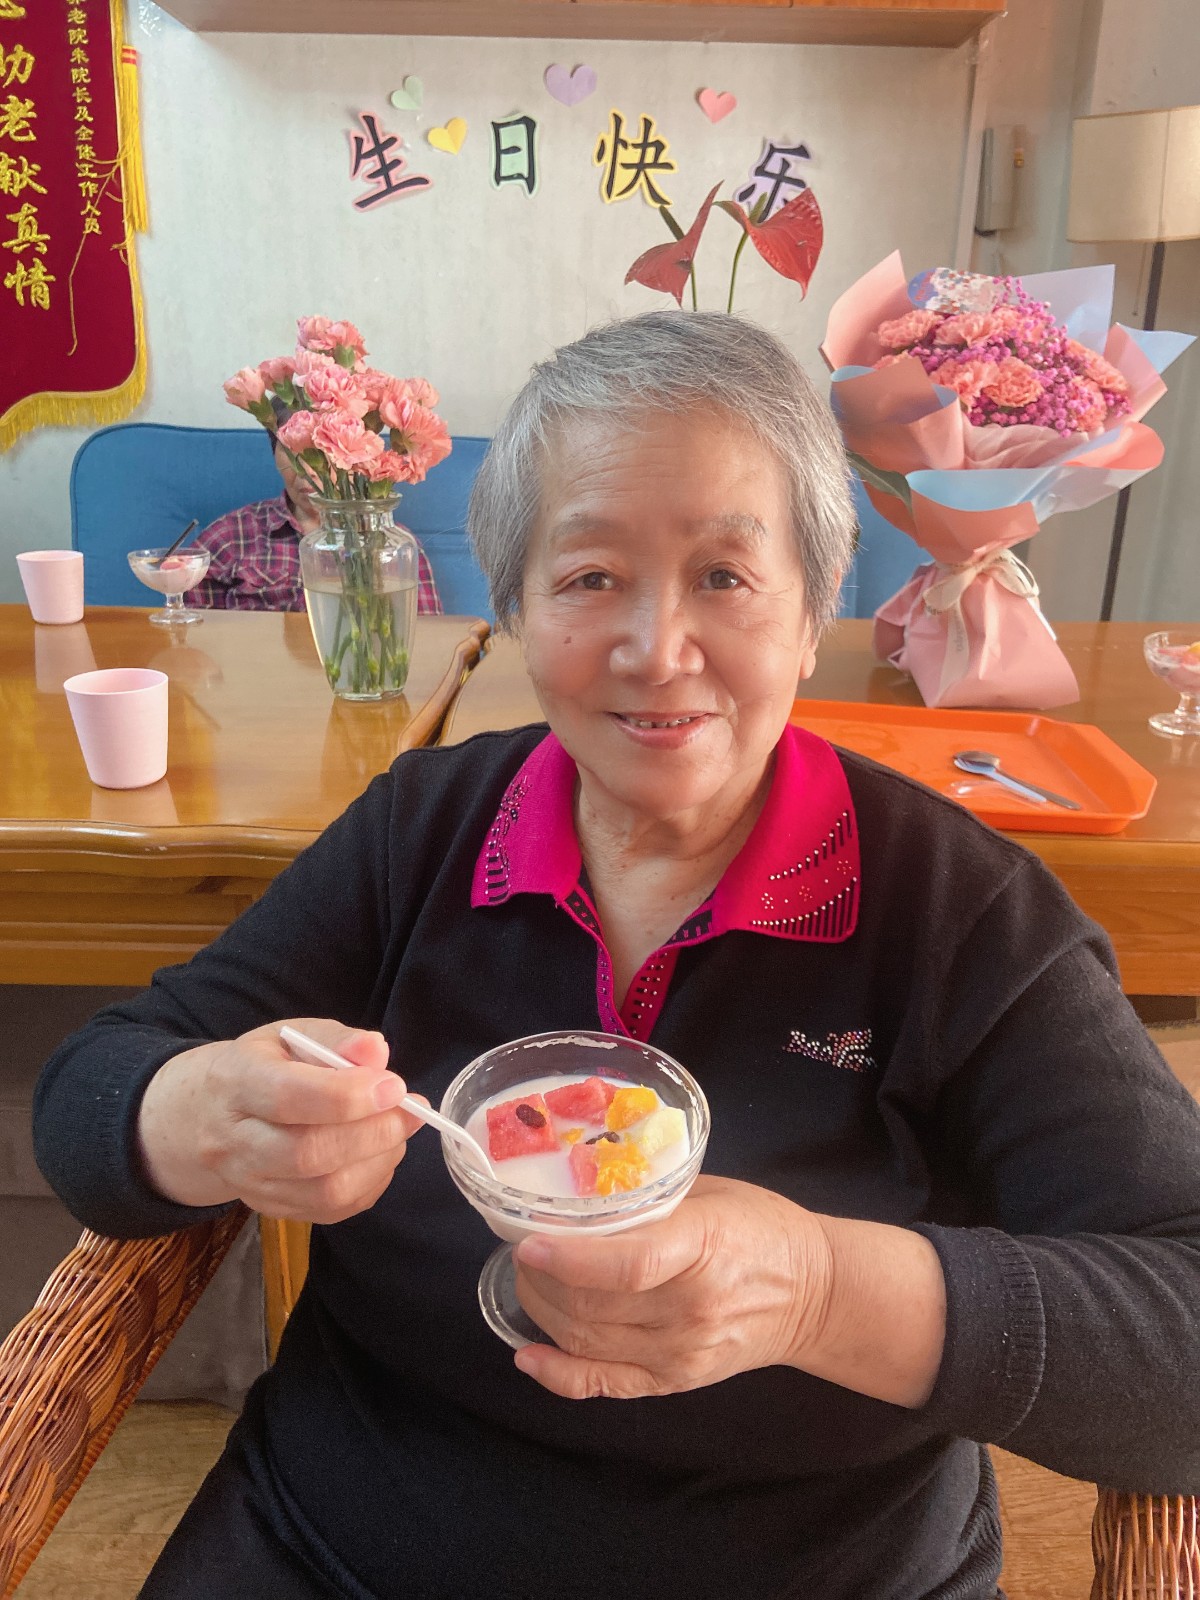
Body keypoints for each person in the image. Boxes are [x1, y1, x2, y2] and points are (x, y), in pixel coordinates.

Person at [34, 311, 1200, 1600]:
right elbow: (95, 1094)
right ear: (516, 607)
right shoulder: (422, 832)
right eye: (590, 577)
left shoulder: (959, 909)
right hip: (340, 1548)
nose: (656, 649)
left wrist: (817, 1290)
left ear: (815, 610)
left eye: (725, 576)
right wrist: (200, 1113)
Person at [186, 430, 443, 614]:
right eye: (292, 452)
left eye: (322, 451)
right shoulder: (231, 537)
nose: (309, 470)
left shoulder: (392, 546)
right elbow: (187, 633)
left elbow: (429, 636)